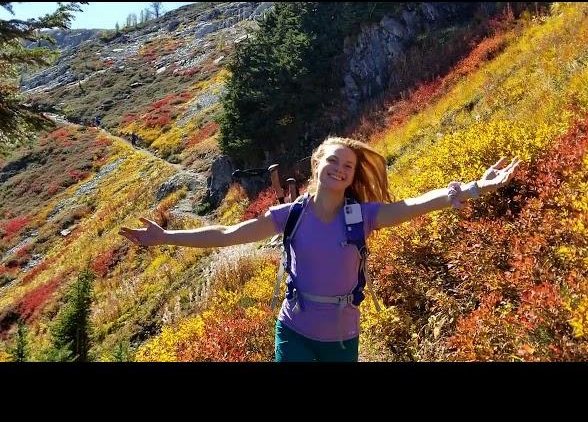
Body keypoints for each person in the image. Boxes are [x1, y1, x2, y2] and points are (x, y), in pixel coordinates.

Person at [119, 136, 520, 362]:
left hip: (343, 336)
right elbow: (227, 234)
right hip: (294, 330)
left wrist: (471, 189)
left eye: (348, 166)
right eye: (333, 161)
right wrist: (167, 238)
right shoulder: (288, 215)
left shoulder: (360, 216)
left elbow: (414, 206)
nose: (341, 169)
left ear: (351, 177)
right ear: (316, 164)